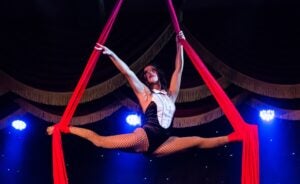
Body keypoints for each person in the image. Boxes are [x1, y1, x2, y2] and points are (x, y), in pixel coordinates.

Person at [47, 31, 237, 157]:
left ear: (157, 73)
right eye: (145, 73)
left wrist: (180, 43)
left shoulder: (170, 95)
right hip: (146, 136)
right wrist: (111, 54)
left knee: (198, 141)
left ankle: (237, 137)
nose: (148, 73)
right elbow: (128, 73)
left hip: (164, 141)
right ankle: (63, 128)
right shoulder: (146, 94)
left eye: (151, 70)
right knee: (100, 142)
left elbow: (178, 70)